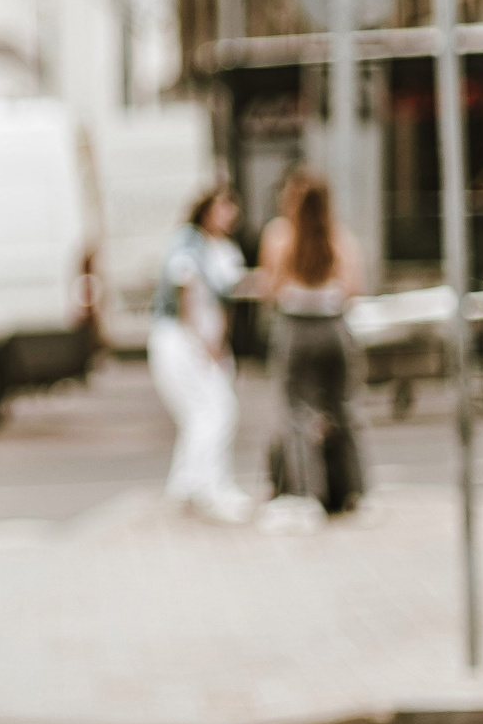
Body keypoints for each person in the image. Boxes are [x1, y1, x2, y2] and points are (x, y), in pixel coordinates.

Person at [256, 172, 368, 522]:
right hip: (334, 327)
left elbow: (269, 289)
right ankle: (352, 491)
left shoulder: (278, 235)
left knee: (295, 413)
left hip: (295, 329)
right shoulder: (341, 237)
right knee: (342, 407)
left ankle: (307, 493)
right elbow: (354, 288)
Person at [145, 184, 255, 524]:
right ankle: (207, 488)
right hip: (182, 340)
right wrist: (202, 342)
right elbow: (186, 292)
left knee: (204, 413)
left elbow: (227, 299)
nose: (228, 214)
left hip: (205, 341)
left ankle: (187, 487)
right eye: (222, 207)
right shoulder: (189, 242)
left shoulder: (223, 248)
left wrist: (219, 340)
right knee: (213, 411)